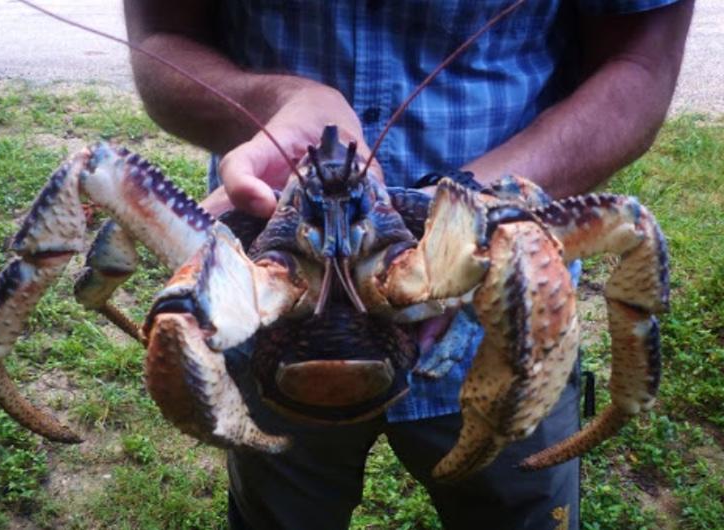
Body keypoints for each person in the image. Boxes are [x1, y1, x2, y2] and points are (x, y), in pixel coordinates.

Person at [123, 1, 693, 528]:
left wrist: (477, 205)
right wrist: (272, 102)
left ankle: (603, 406)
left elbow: (640, 61)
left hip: (505, 329)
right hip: (270, 330)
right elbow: (163, 35)